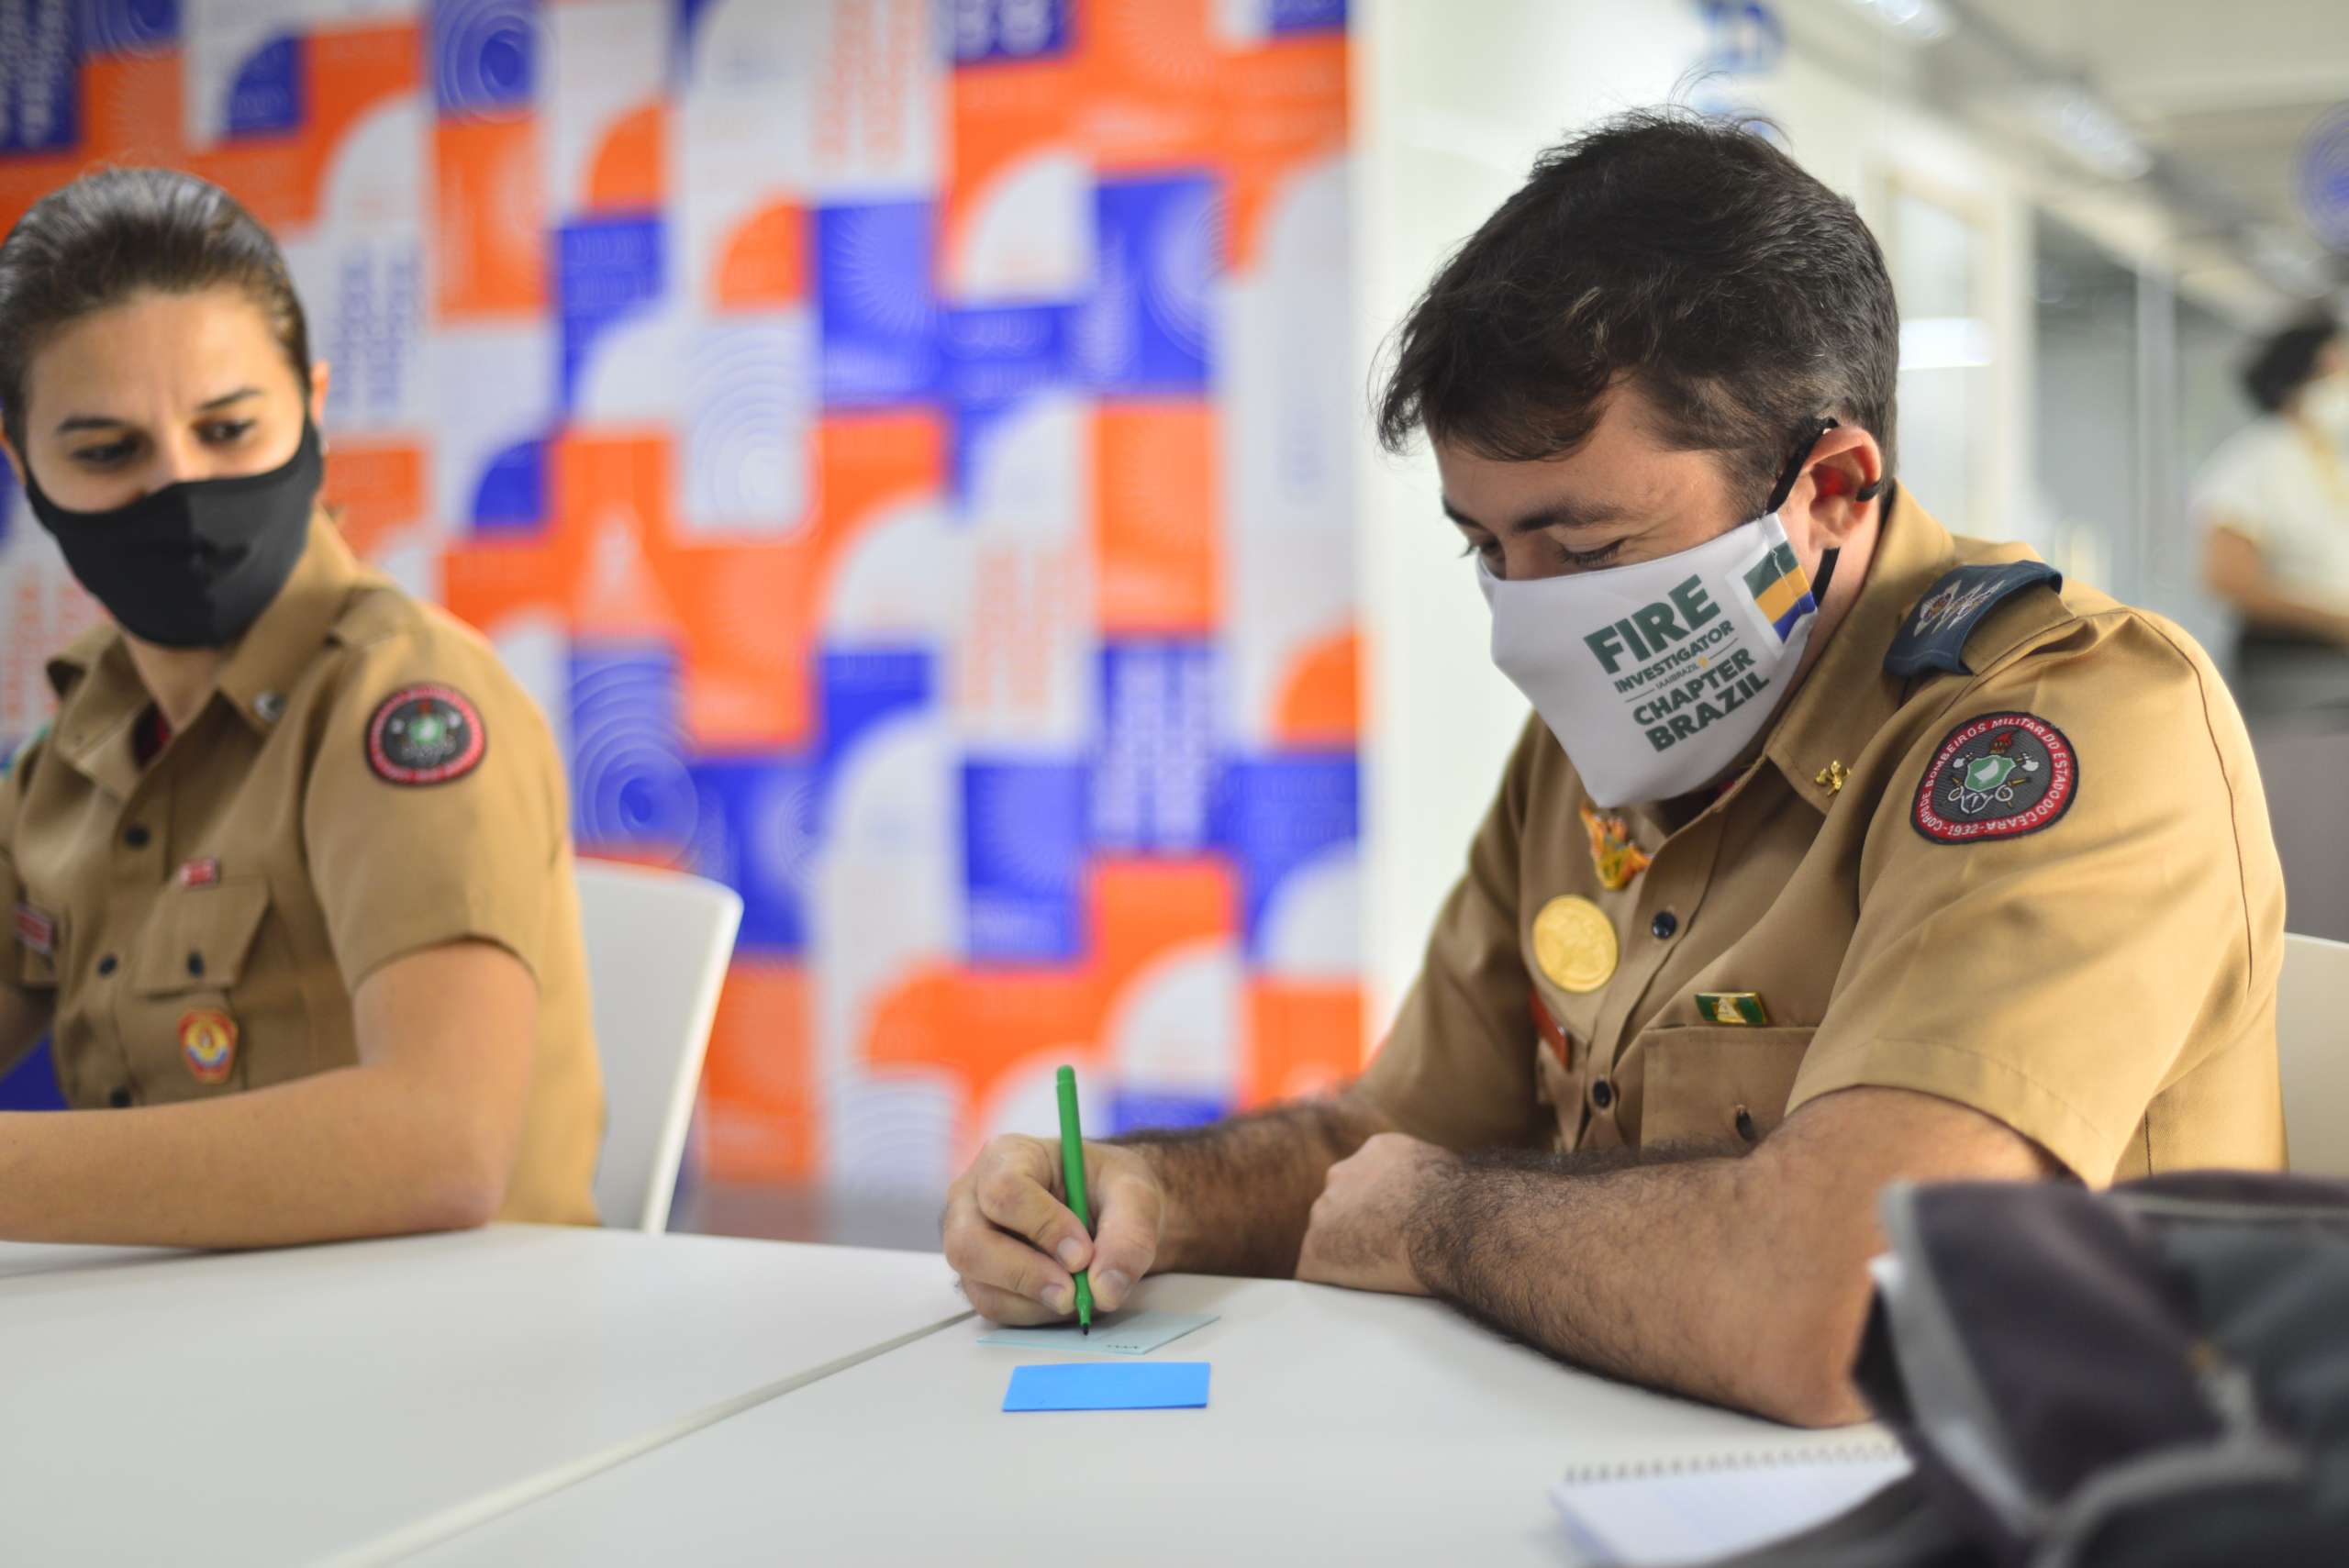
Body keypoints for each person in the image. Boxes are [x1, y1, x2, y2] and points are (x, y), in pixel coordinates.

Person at [941, 111, 2285, 1428]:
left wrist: (1446, 1220)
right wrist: (1151, 1194)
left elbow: (1842, 1305)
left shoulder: (2070, 726)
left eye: (1586, 553)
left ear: (1830, 486)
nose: (1528, 617)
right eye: (1487, 547)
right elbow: (1386, 1143)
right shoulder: (1602, 735)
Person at [0, 168, 604, 1243]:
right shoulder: (76, 743)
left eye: (228, 429)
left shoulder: (405, 701)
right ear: (24, 465)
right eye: (106, 452)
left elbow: (440, 1139)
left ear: (313, 410)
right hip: (177, 1363)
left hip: (451, 1373)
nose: (177, 485)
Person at [2196, 311, 2349, 721]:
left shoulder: (2333, 459)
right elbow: (2228, 578)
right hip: (2291, 667)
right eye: (2337, 366)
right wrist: (2336, 621)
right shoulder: (2252, 461)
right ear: (2295, 381)